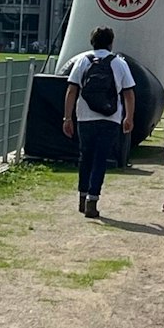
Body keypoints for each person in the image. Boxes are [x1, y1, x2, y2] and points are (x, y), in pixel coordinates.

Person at [60, 27, 137, 220]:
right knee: (100, 159)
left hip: (85, 116)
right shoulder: (119, 63)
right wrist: (129, 117)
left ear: (92, 42)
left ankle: (82, 196)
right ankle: (92, 201)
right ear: (111, 42)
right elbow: (128, 92)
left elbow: (72, 91)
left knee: (85, 156)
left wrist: (67, 118)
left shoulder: (82, 61)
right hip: (110, 117)